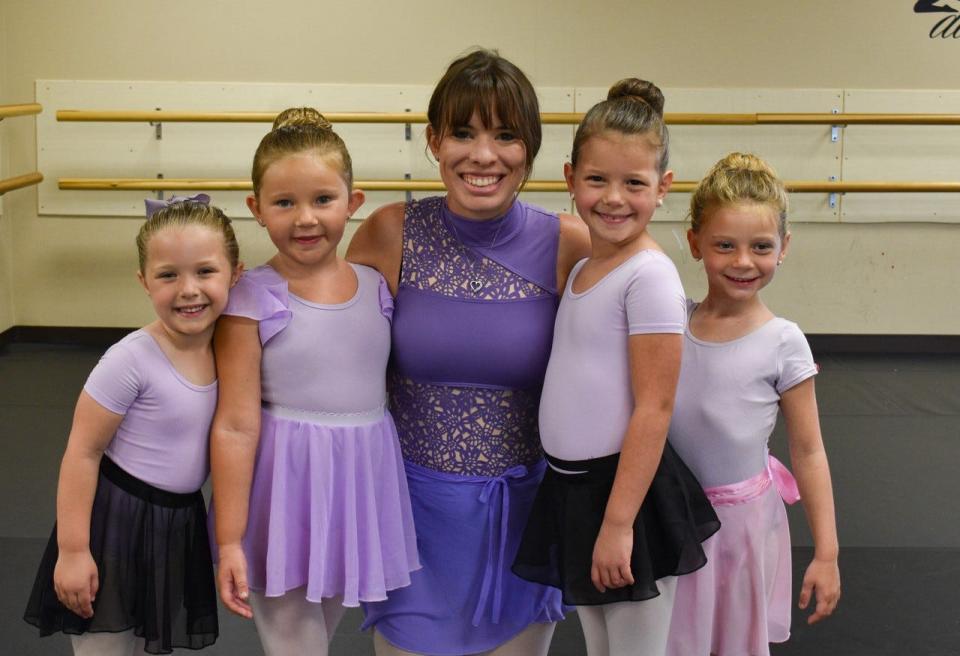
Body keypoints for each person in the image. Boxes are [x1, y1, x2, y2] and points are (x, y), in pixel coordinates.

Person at [348, 49, 591, 656]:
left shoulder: (569, 243)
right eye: (463, 132)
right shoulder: (389, 232)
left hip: (523, 519)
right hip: (410, 522)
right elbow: (325, 343)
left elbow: (648, 325)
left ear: (530, 148)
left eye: (506, 135)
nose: (483, 155)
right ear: (434, 140)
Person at [511, 79, 720, 656]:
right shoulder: (583, 270)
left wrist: (619, 523)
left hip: (627, 494)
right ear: (570, 177)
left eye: (634, 183)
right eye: (597, 180)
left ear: (663, 188)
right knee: (601, 645)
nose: (613, 198)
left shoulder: (648, 276)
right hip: (577, 490)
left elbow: (654, 406)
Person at [210, 107, 419, 656]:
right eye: (284, 202)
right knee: (294, 645)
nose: (305, 218)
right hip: (282, 490)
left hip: (357, 484)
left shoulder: (378, 286)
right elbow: (233, 424)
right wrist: (229, 538)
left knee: (316, 637)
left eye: (322, 200)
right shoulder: (249, 299)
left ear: (353, 203)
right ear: (256, 209)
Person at [23, 196, 242, 655]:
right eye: (168, 275)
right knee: (106, 644)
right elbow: (82, 452)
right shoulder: (130, 359)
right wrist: (74, 550)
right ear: (144, 282)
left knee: (151, 642)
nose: (188, 290)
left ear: (235, 274)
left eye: (205, 272)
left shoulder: (231, 352)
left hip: (178, 520)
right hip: (115, 523)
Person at [665, 152, 841, 655]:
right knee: (673, 640)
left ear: (783, 247)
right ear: (695, 242)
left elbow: (809, 452)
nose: (743, 262)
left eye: (760, 247)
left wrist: (826, 551)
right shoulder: (671, 321)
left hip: (742, 527)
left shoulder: (784, 342)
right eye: (725, 245)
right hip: (673, 519)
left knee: (734, 642)